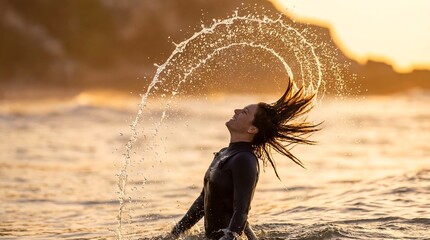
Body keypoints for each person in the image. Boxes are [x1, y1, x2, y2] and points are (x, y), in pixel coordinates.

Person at [166, 80, 320, 239]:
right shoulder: (223, 154)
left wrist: (228, 238)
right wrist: (175, 233)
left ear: (252, 129)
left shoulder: (244, 160)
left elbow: (241, 211)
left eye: (244, 112)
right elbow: (202, 201)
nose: (236, 110)